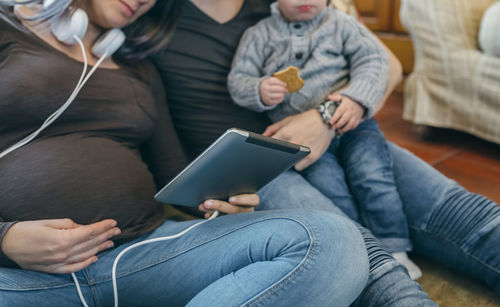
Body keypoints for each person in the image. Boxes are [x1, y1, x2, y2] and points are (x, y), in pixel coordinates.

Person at [0, 1, 370, 306]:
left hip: (144, 255)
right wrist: (6, 239)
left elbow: (174, 172)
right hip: (18, 280)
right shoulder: (6, 26)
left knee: (334, 240)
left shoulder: (139, 68)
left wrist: (220, 204)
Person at [153, 0, 500, 305]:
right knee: (356, 252)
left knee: (464, 214)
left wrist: (326, 118)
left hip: (342, 130)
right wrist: (204, 200)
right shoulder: (150, 19)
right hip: (252, 170)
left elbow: (388, 64)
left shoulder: (310, 10)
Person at [227, 0, 420, 279]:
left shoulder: (341, 23)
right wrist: (258, 89)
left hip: (355, 125)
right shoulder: (258, 34)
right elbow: (238, 80)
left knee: (374, 178)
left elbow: (374, 60)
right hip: (306, 144)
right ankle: (365, 249)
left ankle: (394, 246)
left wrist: (356, 98)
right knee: (332, 188)